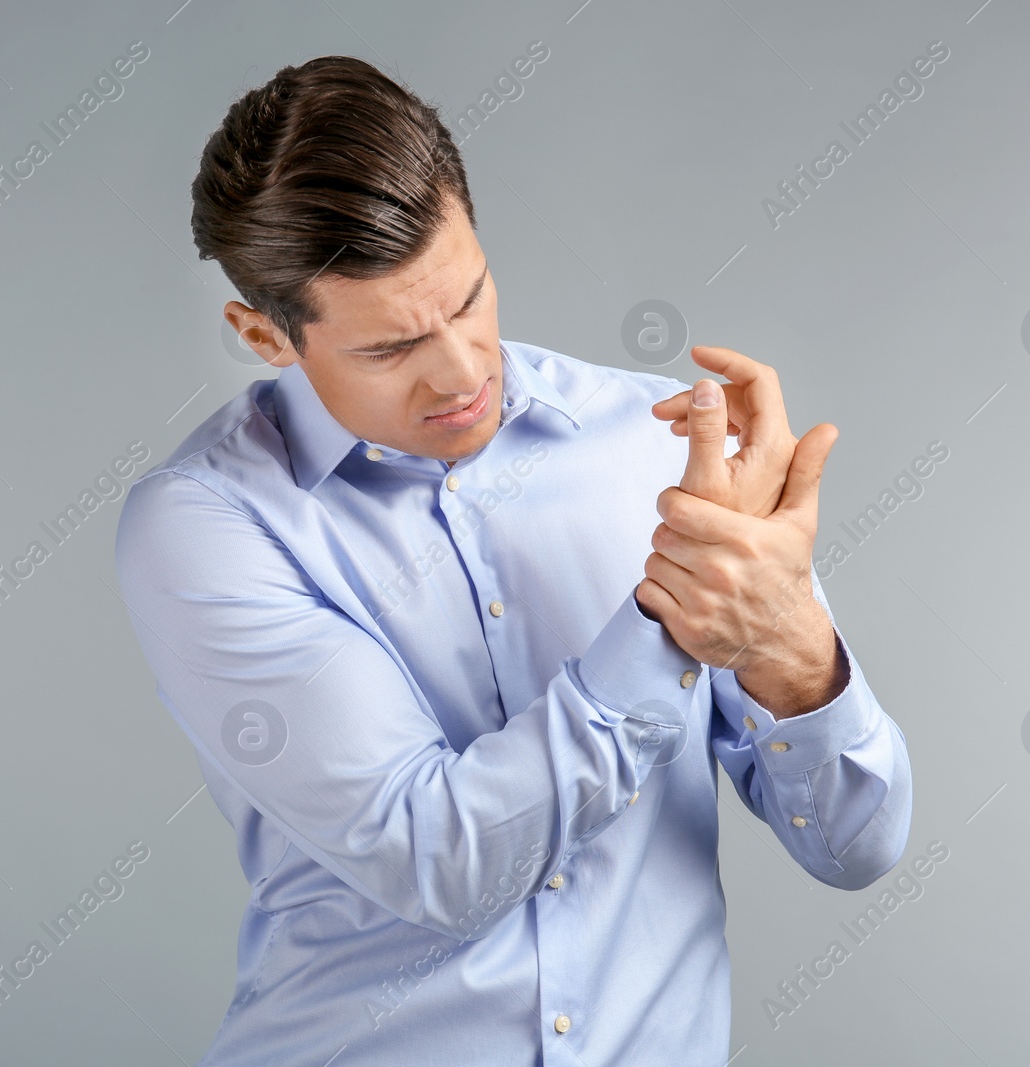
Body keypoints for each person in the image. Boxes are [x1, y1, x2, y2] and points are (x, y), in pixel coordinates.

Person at [113, 54, 912, 1067]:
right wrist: (680, 604)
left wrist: (783, 622)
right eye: (388, 348)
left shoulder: (657, 448)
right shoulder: (207, 526)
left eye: (467, 300)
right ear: (263, 334)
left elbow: (856, 842)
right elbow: (441, 858)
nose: (458, 371)